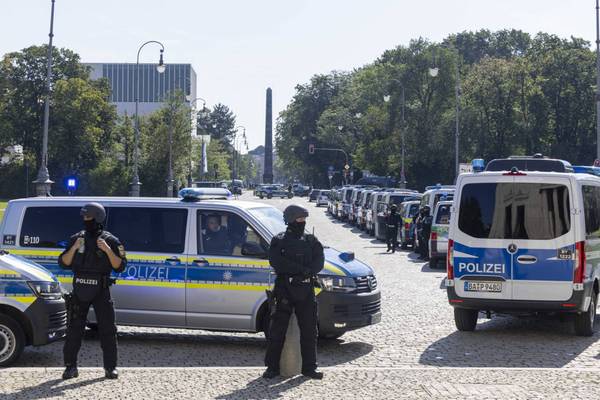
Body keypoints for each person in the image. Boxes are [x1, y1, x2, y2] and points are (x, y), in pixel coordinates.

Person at [59, 202, 126, 380]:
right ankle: (70, 367)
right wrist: (74, 248)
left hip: (101, 290)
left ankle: (110, 368)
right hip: (80, 288)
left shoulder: (110, 240)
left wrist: (107, 250)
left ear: (97, 218)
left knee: (107, 330)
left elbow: (120, 266)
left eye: (87, 217)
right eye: (84, 217)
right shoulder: (76, 238)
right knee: (74, 330)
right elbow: (63, 263)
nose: (84, 220)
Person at [263, 204, 324, 380]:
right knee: (277, 331)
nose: (303, 222)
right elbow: (275, 261)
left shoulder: (311, 240)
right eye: (299, 219)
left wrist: (305, 273)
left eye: (304, 219)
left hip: (306, 290)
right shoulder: (279, 240)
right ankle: (272, 367)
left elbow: (318, 262)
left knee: (310, 331)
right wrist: (299, 270)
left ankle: (309, 368)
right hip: (285, 289)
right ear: (290, 220)